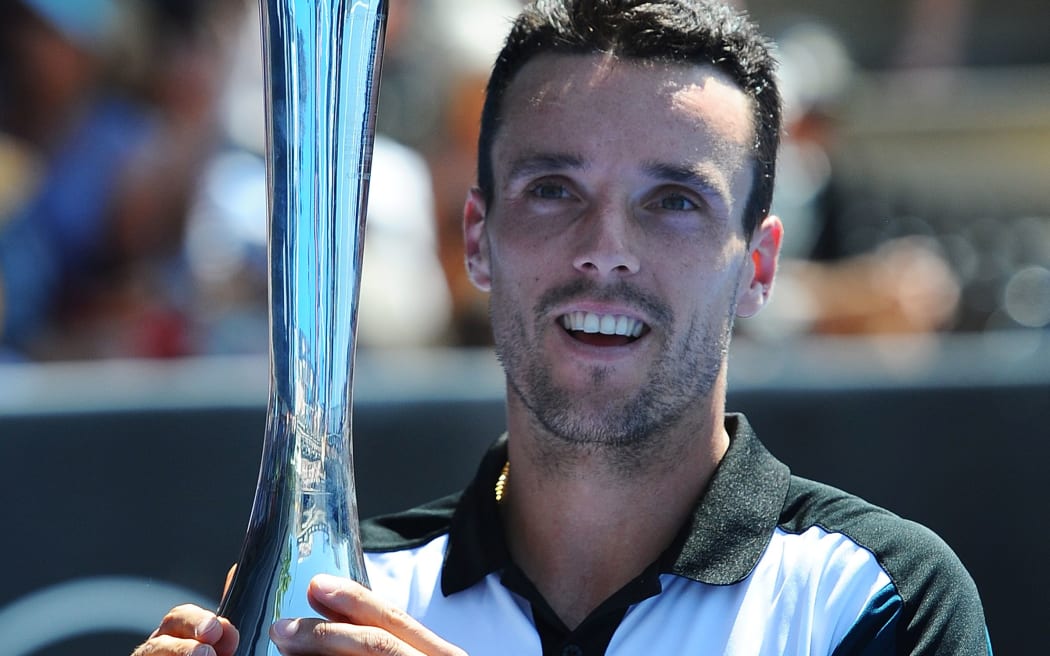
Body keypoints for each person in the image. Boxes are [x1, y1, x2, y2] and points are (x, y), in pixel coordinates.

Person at [133, 1, 991, 654]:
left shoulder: (871, 599)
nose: (606, 250)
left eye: (674, 202)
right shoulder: (347, 598)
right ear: (477, 238)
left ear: (757, 267)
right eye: (553, 190)